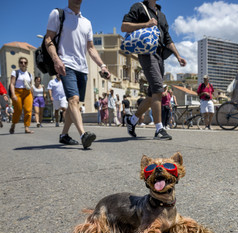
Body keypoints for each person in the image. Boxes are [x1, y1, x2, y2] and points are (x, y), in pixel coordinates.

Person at [44, 0, 111, 149]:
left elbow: (91, 48)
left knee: (73, 104)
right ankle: (83, 135)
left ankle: (64, 135)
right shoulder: (58, 14)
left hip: (83, 68)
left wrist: (102, 66)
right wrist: (56, 59)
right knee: (73, 99)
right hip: (65, 64)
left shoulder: (87, 22)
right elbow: (48, 38)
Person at [121, 0, 187, 140]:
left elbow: (167, 38)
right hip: (146, 53)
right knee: (158, 90)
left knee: (152, 96)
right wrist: (146, 24)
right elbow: (124, 27)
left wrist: (178, 56)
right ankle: (159, 129)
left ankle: (131, 121)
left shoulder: (161, 15)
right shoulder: (139, 7)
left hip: (160, 55)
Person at [9, 57, 34, 134]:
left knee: (28, 110)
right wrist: (13, 95)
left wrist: (32, 95)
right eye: (21, 62)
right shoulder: (15, 72)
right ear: (19, 64)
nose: (23, 64)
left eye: (25, 62)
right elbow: (12, 84)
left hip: (27, 93)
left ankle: (27, 128)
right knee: (18, 111)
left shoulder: (30, 74)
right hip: (17, 92)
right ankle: (13, 124)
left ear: (27, 64)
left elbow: (30, 85)